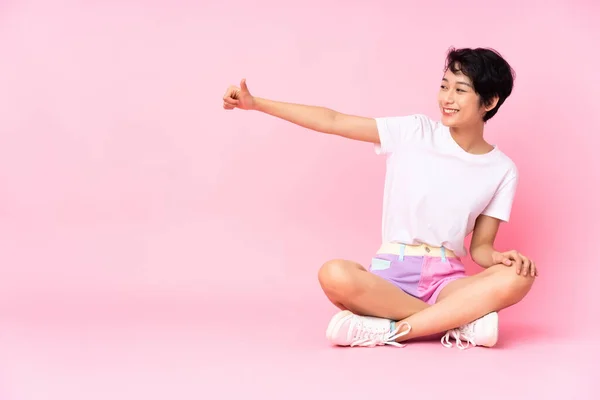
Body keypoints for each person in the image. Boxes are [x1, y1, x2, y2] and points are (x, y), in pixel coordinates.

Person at [222, 47, 537, 349]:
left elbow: (480, 247)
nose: (446, 98)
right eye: (444, 86)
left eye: (460, 90)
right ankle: (456, 322)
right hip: (391, 277)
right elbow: (333, 120)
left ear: (490, 101)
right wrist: (257, 104)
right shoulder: (414, 132)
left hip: (447, 283)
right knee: (334, 274)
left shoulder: (502, 169)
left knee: (518, 277)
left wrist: (497, 258)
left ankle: (391, 330)